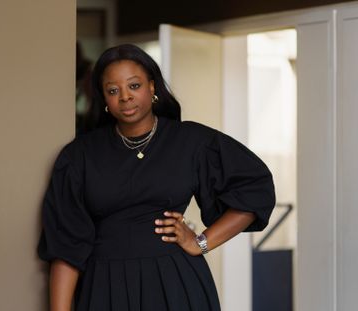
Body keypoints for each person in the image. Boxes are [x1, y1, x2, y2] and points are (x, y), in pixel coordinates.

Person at [37, 44, 276, 311]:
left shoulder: (190, 141)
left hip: (176, 283)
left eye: (134, 86)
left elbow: (255, 188)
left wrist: (201, 243)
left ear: (152, 87)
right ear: (104, 98)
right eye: (113, 91)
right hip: (105, 285)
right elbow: (66, 248)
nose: (125, 97)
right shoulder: (79, 155)